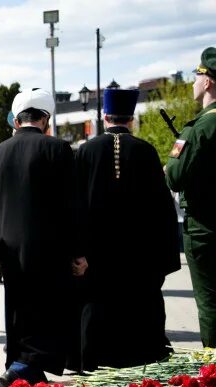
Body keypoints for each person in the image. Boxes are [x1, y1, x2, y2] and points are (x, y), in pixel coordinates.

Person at [0, 88, 87, 386]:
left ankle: (22, 374)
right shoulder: (58, 150)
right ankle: (23, 369)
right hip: (51, 250)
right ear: (45, 119)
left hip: (9, 251)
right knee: (49, 314)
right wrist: (79, 251)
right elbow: (73, 206)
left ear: (17, 121)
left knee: (18, 312)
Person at [77, 88, 180, 369]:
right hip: (139, 259)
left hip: (96, 258)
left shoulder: (86, 151)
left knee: (97, 313)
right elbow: (163, 211)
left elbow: (72, 206)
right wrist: (164, 259)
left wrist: (77, 252)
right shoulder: (145, 151)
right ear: (131, 119)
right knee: (140, 316)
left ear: (104, 116)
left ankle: (94, 367)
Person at [166, 47, 216, 348]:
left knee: (210, 303)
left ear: (208, 81)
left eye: (198, 75)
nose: (194, 82)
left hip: (206, 228)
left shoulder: (201, 127)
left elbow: (174, 175)